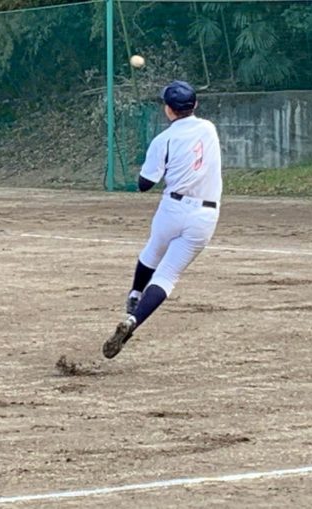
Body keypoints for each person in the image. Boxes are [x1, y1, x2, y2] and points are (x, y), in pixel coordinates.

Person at [103, 80, 222, 359]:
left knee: (153, 251)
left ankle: (135, 294)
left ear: (168, 109)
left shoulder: (163, 140)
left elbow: (145, 184)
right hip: (205, 215)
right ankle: (134, 321)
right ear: (195, 105)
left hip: (173, 208)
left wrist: (148, 167)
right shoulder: (209, 128)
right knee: (168, 275)